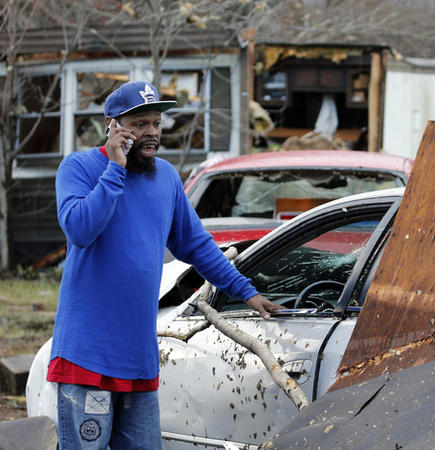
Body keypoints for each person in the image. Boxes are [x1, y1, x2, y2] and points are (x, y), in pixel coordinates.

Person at [47, 80, 284, 449]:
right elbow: (80, 229)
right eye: (140, 124)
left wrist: (246, 291)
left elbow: (197, 246)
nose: (152, 133)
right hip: (86, 357)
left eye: (156, 123)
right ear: (112, 125)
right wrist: (114, 169)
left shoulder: (166, 179)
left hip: (138, 359)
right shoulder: (79, 168)